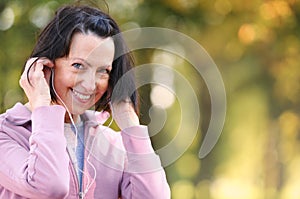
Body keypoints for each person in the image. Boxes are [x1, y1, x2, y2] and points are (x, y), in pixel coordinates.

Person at [0, 3, 170, 199]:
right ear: (45, 65)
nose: (90, 85)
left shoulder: (113, 144)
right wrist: (43, 106)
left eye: (103, 71)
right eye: (78, 65)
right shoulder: (6, 133)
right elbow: (50, 187)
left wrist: (131, 126)